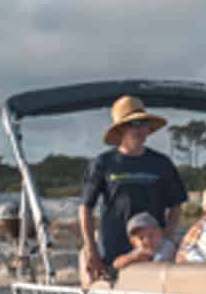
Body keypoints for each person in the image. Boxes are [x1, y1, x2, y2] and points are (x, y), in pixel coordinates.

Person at [80, 95, 187, 282]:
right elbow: (86, 208)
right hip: (113, 251)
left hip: (152, 254)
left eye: (144, 123)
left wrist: (167, 240)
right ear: (121, 129)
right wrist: (91, 249)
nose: (141, 129)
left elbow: (176, 205)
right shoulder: (103, 163)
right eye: (134, 123)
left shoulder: (162, 163)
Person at [112, 212, 177, 271]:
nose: (147, 240)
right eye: (141, 238)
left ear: (160, 233)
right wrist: (133, 258)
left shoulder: (167, 246)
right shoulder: (140, 251)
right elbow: (116, 264)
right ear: (133, 242)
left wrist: (138, 260)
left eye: (151, 235)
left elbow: (156, 267)